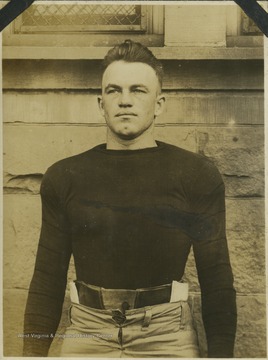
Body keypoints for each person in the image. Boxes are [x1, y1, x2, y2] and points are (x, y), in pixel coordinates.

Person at [23, 39, 237, 358]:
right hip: (88, 331)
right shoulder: (64, 177)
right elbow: (46, 280)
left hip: (166, 334)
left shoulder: (196, 175)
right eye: (114, 91)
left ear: (159, 103)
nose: (125, 101)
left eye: (138, 90)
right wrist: (30, 353)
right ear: (101, 103)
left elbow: (216, 279)